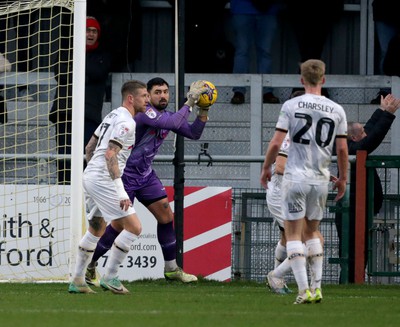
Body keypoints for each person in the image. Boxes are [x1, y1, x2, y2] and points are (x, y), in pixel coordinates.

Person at [85, 77, 211, 285]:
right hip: (124, 174)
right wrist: (189, 102)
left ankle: (171, 269)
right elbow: (170, 123)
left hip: (145, 175)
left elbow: (194, 133)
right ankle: (90, 265)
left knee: (165, 214)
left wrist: (203, 110)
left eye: (165, 92)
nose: (162, 96)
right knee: (117, 225)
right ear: (148, 96)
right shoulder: (145, 114)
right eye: (156, 92)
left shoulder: (167, 116)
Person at [260, 59, 348, 304]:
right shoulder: (336, 109)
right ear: (324, 79)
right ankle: (312, 287)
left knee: (295, 236)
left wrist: (265, 167)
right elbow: (342, 150)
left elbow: (277, 145)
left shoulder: (291, 108)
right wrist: (343, 178)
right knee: (311, 235)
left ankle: (299, 288)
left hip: (295, 180)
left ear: (301, 79)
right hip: (318, 179)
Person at [68, 79, 149, 295]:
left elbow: (90, 147)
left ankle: (77, 280)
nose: (147, 101)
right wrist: (120, 192)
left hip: (91, 175)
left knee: (96, 228)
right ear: (131, 98)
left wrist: (92, 171)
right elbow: (110, 154)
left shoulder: (112, 115)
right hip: (103, 178)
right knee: (134, 227)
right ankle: (111, 276)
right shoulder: (127, 123)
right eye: (144, 96)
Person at [334, 93, 400, 283]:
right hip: (352, 210)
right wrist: (387, 115)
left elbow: (369, 130)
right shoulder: (350, 149)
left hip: (360, 209)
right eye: (362, 133)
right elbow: (373, 138)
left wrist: (381, 110)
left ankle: (352, 281)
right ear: (354, 137)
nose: (366, 134)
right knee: (352, 249)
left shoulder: (353, 142)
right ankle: (349, 282)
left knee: (358, 248)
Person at [49, 16, 111, 183]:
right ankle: (64, 189)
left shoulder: (103, 55)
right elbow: (60, 74)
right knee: (65, 157)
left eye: (94, 31)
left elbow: (99, 72)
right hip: (65, 113)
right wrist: (86, 75)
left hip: (89, 115)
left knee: (87, 156)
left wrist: (77, 71)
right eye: (87, 30)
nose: (90, 34)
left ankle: (85, 191)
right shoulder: (65, 51)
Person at [286, 0, 343, 98]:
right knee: (307, 52)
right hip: (300, 12)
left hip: (322, 13)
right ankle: (309, 88)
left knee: (314, 52)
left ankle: (309, 87)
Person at [230, 0, 282, 104]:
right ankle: (239, 91)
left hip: (266, 10)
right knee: (244, 51)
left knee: (260, 52)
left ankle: (265, 91)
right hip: (243, 8)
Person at [370, 0, 400, 104]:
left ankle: (387, 92)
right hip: (384, 9)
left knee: (387, 53)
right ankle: (386, 92)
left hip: (383, 9)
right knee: (387, 53)